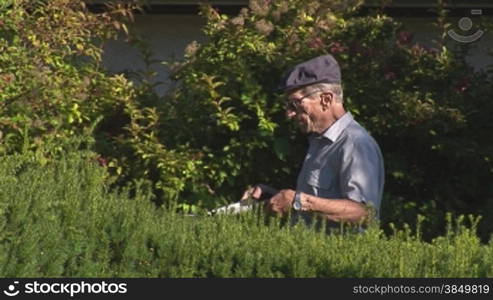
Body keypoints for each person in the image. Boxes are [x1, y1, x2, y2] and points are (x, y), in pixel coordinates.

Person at [241, 54, 384, 227]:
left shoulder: (355, 144)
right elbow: (314, 202)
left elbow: (365, 214)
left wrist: (299, 201)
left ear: (326, 99)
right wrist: (275, 197)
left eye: (294, 104)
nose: (289, 113)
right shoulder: (319, 141)